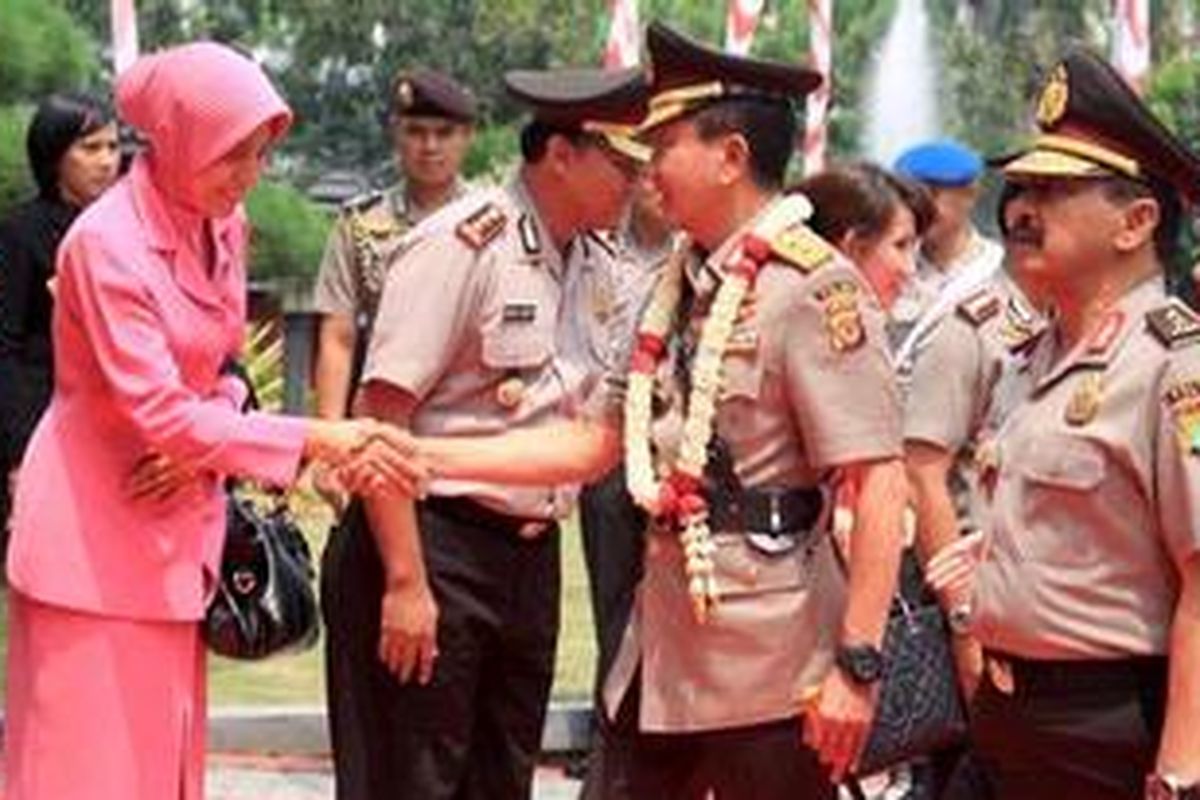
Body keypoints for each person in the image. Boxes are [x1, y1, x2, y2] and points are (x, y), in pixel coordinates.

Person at [408, 21, 909, 798]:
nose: (645, 169)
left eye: (665, 144)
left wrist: (859, 664)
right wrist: (423, 455)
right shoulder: (667, 287)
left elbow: (878, 484)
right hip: (665, 649)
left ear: (731, 156)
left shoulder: (815, 290)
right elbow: (596, 443)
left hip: (775, 663)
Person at [2, 43, 420, 800]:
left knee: (164, 769)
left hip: (171, 532)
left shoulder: (221, 225)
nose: (250, 176)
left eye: (260, 155)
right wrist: (316, 438)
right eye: (233, 155)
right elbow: (160, 407)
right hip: (93, 540)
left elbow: (222, 371)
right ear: (178, 137)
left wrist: (209, 441)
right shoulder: (106, 247)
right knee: (86, 774)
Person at [319, 64, 649, 800]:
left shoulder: (597, 262)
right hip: (431, 540)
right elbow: (382, 415)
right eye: (622, 164)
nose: (635, 183)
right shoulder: (464, 244)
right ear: (560, 154)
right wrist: (405, 582)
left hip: (528, 554)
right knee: (410, 780)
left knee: (499, 780)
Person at [927, 49, 1200, 799]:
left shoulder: (1175, 368)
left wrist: (1180, 774)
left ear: (1136, 222)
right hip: (1006, 716)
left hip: (1107, 729)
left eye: (1054, 190)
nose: (1020, 209)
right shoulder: (1028, 356)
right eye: (1021, 188)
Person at [312, 68, 476, 423]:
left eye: (444, 133)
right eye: (416, 132)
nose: (430, 146)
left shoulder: (495, 221)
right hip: (382, 417)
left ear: (467, 137)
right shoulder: (360, 224)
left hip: (470, 421)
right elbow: (338, 336)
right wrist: (329, 440)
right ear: (396, 134)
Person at [0, 92, 120, 547]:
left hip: (112, 421)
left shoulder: (124, 230)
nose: (106, 161)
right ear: (53, 156)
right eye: (90, 149)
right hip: (41, 418)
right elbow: (6, 346)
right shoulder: (20, 232)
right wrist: (17, 452)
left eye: (112, 147)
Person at [891, 139, 1004, 374]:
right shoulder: (893, 269)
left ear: (970, 195)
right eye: (907, 195)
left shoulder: (1000, 272)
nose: (918, 206)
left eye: (931, 194)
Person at [796, 161, 934, 339]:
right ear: (853, 248)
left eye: (912, 248)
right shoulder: (844, 342)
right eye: (900, 245)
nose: (909, 269)